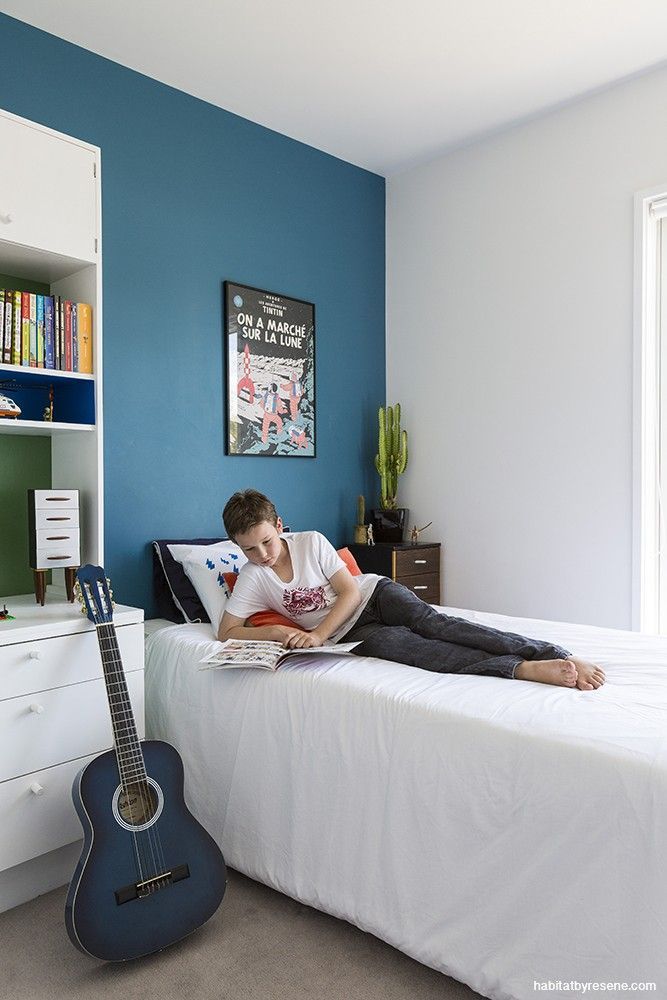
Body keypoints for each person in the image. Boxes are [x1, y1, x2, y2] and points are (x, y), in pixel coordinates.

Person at [218, 490, 606, 691]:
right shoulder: (253, 576)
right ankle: (522, 669)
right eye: (249, 548)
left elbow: (350, 593)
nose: (262, 554)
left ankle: (557, 653)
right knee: (419, 651)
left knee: (437, 624)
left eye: (266, 541)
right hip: (350, 636)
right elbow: (226, 632)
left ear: (279, 525)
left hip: (373, 596)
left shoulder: (310, 542)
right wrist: (272, 631)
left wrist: (316, 634)